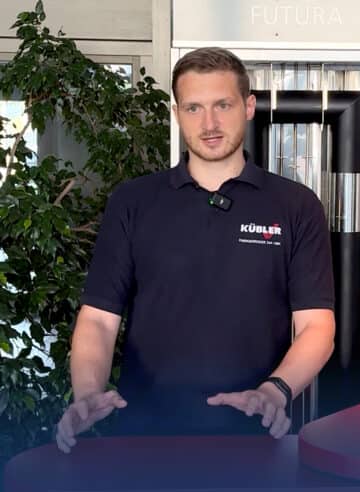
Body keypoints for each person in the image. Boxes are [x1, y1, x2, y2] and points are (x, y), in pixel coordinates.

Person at [55, 47, 335, 453]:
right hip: (144, 438)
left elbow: (316, 327)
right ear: (176, 113)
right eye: (193, 108)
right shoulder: (133, 201)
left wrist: (275, 392)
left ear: (249, 106)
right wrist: (86, 394)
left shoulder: (295, 205)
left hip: (253, 436)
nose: (209, 123)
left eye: (222, 104)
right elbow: (99, 318)